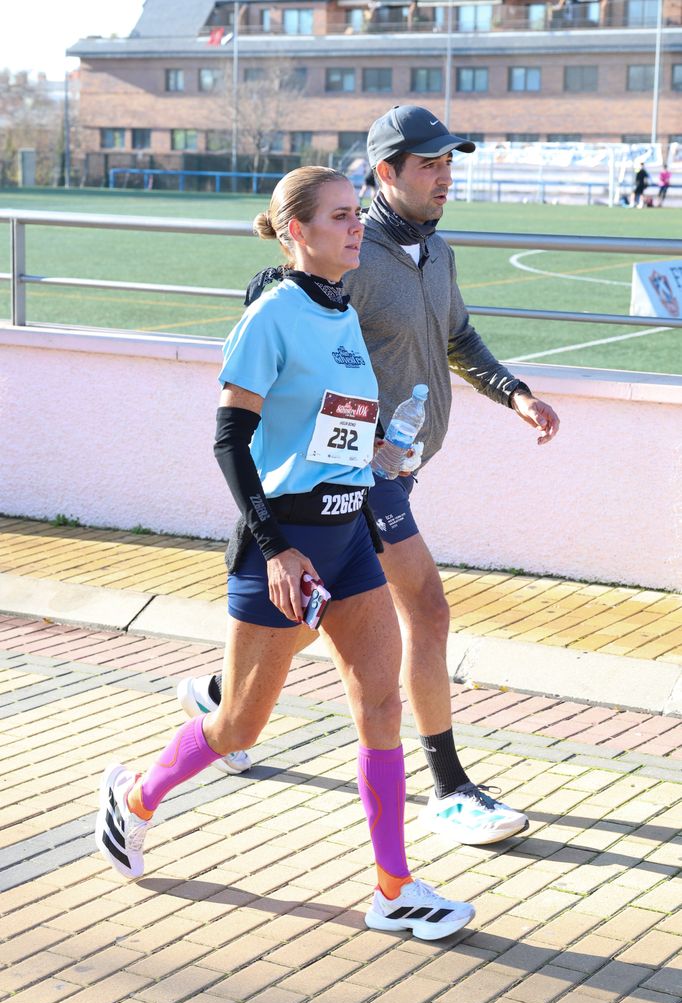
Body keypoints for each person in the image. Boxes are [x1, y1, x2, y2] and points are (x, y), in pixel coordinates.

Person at [96, 165, 475, 941]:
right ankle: (134, 796)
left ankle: (394, 887)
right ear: (297, 231)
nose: (354, 226)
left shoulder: (339, 312)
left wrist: (378, 454)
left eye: (354, 215)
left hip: (348, 537)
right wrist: (274, 549)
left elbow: (323, 427)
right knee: (239, 725)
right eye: (339, 216)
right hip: (287, 545)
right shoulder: (272, 315)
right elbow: (230, 440)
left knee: (380, 703)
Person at [180, 106, 560, 849]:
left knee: (313, 622)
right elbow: (292, 298)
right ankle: (448, 788)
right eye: (430, 164)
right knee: (427, 606)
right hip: (350, 471)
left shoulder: (435, 253)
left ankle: (225, 699)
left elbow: (458, 337)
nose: (446, 177)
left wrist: (514, 392)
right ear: (387, 172)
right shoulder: (355, 248)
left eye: (451, 164)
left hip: (398, 467)